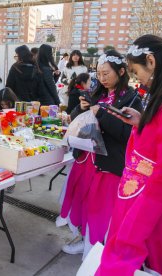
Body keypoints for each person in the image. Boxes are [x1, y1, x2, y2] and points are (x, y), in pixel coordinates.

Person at [97, 35, 162, 276]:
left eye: (136, 72)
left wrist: (134, 229)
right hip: (140, 195)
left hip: (152, 207)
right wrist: (141, 122)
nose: (137, 79)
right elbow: (158, 138)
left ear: (151, 61)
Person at [59, 50, 143, 257]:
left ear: (121, 71)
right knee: (82, 202)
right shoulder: (98, 92)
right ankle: (83, 237)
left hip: (108, 165)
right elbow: (76, 119)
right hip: (85, 159)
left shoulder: (132, 99)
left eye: (107, 73)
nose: (102, 78)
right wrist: (80, 108)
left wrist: (102, 113)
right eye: (99, 73)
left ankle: (97, 249)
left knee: (101, 211)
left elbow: (126, 135)